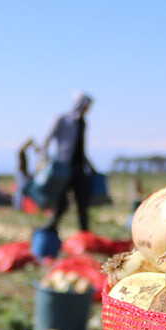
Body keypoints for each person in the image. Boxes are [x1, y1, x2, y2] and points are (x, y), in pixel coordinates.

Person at [43, 92, 94, 233]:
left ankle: (84, 232)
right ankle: (51, 226)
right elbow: (47, 140)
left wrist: (90, 166)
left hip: (79, 168)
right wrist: (45, 159)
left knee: (82, 201)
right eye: (85, 106)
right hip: (64, 167)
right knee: (61, 200)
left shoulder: (83, 123)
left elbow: (81, 148)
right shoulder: (63, 120)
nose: (87, 109)